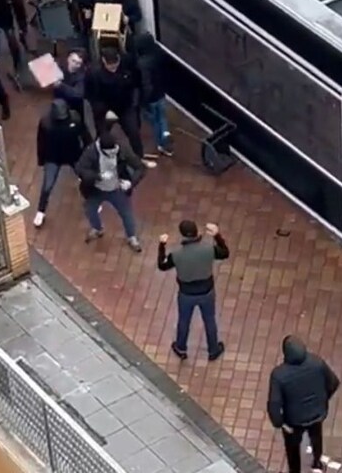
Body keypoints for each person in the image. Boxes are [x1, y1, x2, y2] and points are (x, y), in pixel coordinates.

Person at [266, 335, 340, 473]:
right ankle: (317, 462)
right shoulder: (317, 363)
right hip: (317, 414)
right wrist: (323, 400)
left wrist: (280, 423)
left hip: (293, 421)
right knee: (317, 438)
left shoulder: (279, 375)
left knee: (292, 449)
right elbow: (333, 383)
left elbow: (274, 404)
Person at [158, 220, 229, 360]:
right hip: (207, 291)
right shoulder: (209, 249)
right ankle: (213, 350)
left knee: (184, 321)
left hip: (186, 294)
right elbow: (225, 253)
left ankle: (181, 348)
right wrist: (217, 236)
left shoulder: (176, 255)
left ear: (182, 235)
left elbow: (162, 265)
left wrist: (162, 246)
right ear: (197, 232)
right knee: (209, 320)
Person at [74, 130, 145, 251]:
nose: (114, 153)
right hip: (95, 189)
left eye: (115, 150)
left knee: (126, 213)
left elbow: (139, 167)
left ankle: (131, 237)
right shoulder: (91, 152)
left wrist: (131, 183)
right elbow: (80, 169)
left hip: (117, 188)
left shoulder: (122, 149)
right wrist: (98, 176)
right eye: (110, 152)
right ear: (102, 149)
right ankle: (97, 228)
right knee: (90, 210)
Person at [86, 47, 154, 166]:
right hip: (105, 111)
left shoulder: (127, 64)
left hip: (125, 107)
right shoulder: (94, 73)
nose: (113, 68)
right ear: (103, 61)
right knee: (102, 137)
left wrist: (135, 103)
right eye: (110, 65)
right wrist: (105, 111)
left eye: (115, 64)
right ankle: (95, 163)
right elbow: (92, 96)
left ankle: (138, 159)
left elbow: (137, 83)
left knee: (134, 133)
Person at [34, 99, 92, 228]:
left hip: (74, 155)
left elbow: (85, 134)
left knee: (86, 177)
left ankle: (91, 201)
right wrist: (41, 160)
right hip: (53, 158)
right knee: (47, 186)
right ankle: (41, 211)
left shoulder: (75, 118)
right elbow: (41, 142)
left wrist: (89, 149)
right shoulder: (45, 123)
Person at [133, 32, 173, 156]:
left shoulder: (142, 64)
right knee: (162, 116)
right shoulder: (158, 52)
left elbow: (146, 84)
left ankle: (161, 143)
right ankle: (165, 133)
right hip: (161, 91)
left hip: (151, 97)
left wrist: (143, 101)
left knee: (154, 119)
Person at [52, 50, 87, 121]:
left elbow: (78, 94)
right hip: (58, 102)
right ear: (68, 59)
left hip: (74, 106)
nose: (75, 65)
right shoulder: (60, 68)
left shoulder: (81, 75)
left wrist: (61, 85)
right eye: (73, 61)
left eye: (78, 63)